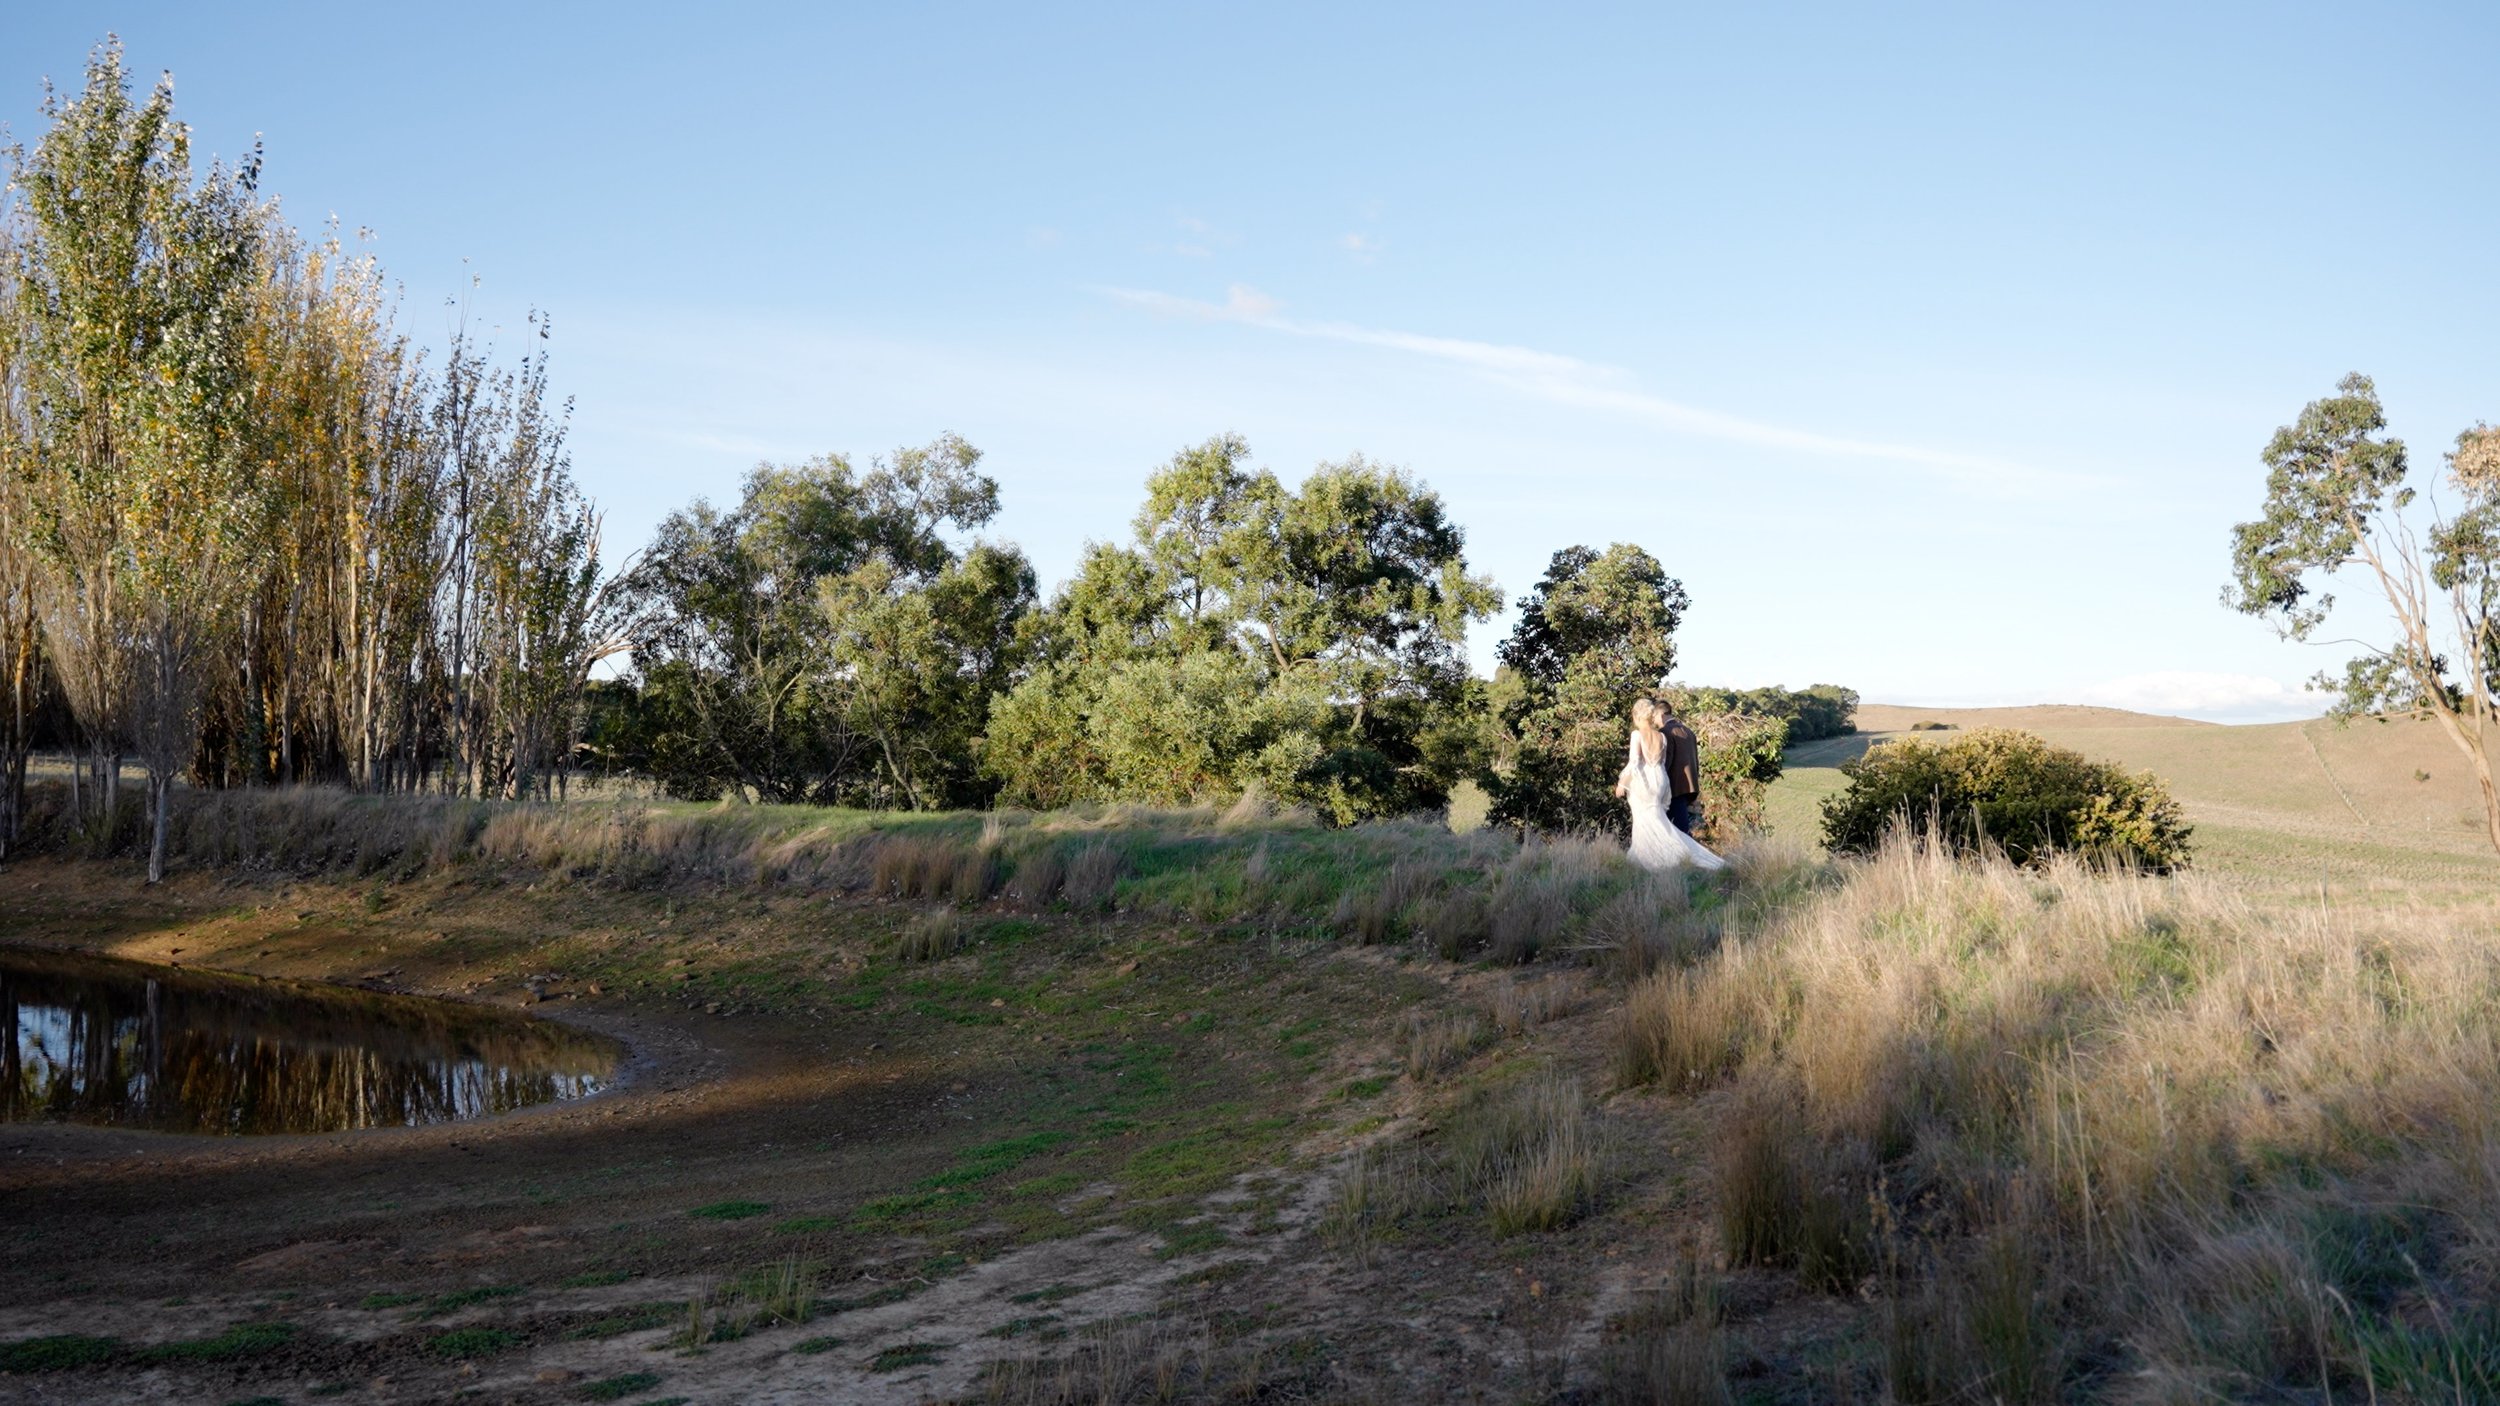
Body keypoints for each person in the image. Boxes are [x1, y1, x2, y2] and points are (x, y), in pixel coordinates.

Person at [1614, 698, 1724, 871]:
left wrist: (1622, 783)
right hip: (1662, 781)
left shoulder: (1641, 734)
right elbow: (1663, 765)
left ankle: (1665, 857)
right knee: (1659, 820)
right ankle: (1647, 857)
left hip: (1647, 783)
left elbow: (1635, 762)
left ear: (1637, 715)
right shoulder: (1667, 735)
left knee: (1647, 821)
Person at [1658, 697, 1702, 835]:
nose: (1653, 721)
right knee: (1681, 827)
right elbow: (1695, 758)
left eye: (1653, 716)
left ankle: (1688, 856)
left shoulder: (1666, 732)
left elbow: (1667, 761)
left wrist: (1659, 783)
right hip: (1689, 785)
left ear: (1660, 715)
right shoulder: (1689, 731)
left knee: (1678, 831)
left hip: (1674, 786)